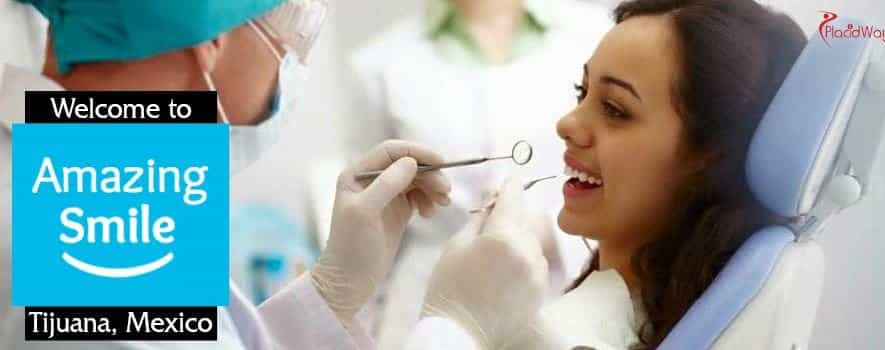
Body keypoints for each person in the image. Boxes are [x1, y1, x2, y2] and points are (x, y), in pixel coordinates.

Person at [0, 0, 549, 349]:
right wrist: (454, 330)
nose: (291, 66)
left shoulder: (90, 174)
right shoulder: (79, 218)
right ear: (210, 41)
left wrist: (329, 295)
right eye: (290, 37)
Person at [459, 0, 806, 348]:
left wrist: (456, 321)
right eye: (582, 92)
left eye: (614, 109)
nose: (566, 124)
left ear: (710, 156)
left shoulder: (557, 337)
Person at [346, 0, 612, 344]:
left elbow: (632, 185)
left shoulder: (595, 36)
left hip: (561, 294)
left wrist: (551, 233)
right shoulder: (378, 64)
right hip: (424, 307)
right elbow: (374, 221)